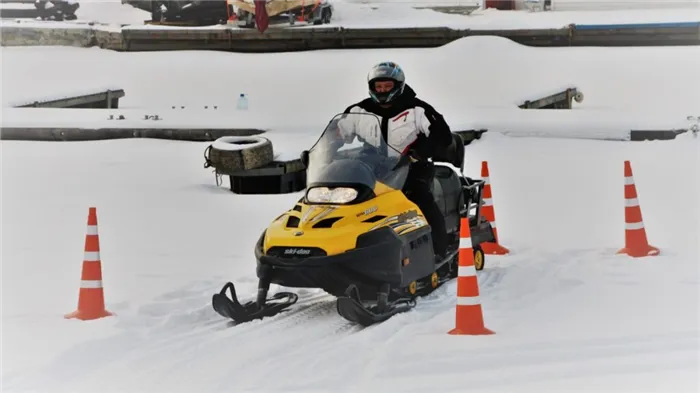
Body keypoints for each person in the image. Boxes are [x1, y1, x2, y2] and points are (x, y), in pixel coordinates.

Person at [340, 61, 454, 258]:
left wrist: (420, 151)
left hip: (412, 165)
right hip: (372, 167)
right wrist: (325, 151)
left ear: (398, 85)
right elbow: (338, 133)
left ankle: (438, 248)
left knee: (420, 198)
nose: (382, 90)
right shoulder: (359, 110)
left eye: (387, 86)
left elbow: (442, 134)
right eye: (379, 86)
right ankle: (347, 247)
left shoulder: (418, 109)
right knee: (350, 201)